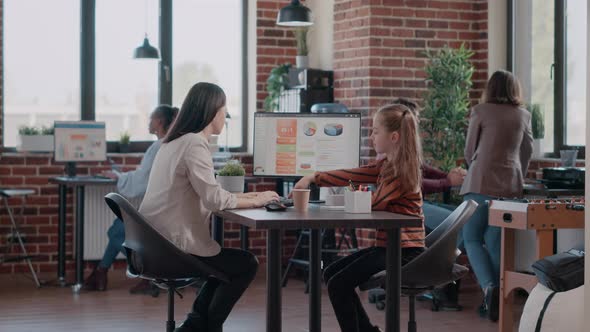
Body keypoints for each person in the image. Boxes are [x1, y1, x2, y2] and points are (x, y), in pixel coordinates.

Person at [138, 82, 279, 332]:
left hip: (155, 244)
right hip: (174, 246)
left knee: (223, 269)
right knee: (245, 265)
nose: (225, 116)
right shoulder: (194, 144)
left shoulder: (174, 142)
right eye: (224, 109)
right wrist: (257, 200)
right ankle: (205, 326)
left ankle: (194, 326)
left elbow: (210, 193)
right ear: (212, 111)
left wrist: (255, 195)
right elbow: (215, 201)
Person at [293, 103, 425, 332]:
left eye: (375, 131)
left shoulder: (401, 173)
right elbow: (354, 176)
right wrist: (314, 177)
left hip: (404, 252)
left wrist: (354, 190)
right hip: (389, 247)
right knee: (331, 274)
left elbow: (373, 203)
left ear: (393, 137)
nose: (371, 136)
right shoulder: (386, 165)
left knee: (338, 284)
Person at [460, 70, 533, 321]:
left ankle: (490, 290)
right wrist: (517, 176)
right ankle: (500, 304)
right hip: (510, 187)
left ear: (491, 88)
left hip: (480, 182)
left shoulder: (480, 111)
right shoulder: (523, 115)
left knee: (470, 238)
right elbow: (527, 150)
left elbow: (470, 150)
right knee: (494, 244)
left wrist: (476, 166)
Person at [83, 105, 179, 293]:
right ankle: (103, 273)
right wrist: (122, 175)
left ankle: (144, 273)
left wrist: (118, 176)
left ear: (159, 122)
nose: (148, 123)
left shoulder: (158, 146)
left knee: (116, 232)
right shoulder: (167, 145)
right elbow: (145, 176)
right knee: (116, 231)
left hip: (158, 210)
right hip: (168, 207)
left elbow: (142, 181)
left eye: (151, 119)